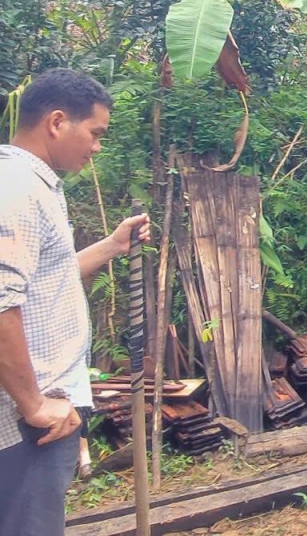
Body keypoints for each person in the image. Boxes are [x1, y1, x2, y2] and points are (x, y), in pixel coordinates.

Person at [0, 68, 150, 536]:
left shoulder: (30, 183)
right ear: (57, 121)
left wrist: (111, 246)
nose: (98, 147)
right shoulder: (18, 189)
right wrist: (33, 404)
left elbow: (44, 278)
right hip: (28, 422)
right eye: (96, 133)